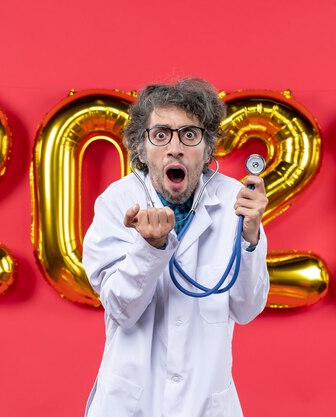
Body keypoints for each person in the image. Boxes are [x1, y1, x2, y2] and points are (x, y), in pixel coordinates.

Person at [82, 79, 269, 417]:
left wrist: (251, 237)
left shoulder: (234, 203)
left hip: (207, 404)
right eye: (161, 135)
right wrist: (150, 248)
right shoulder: (116, 203)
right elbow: (121, 309)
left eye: (189, 135)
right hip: (130, 404)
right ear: (141, 148)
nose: (175, 147)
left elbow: (248, 309)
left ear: (208, 149)